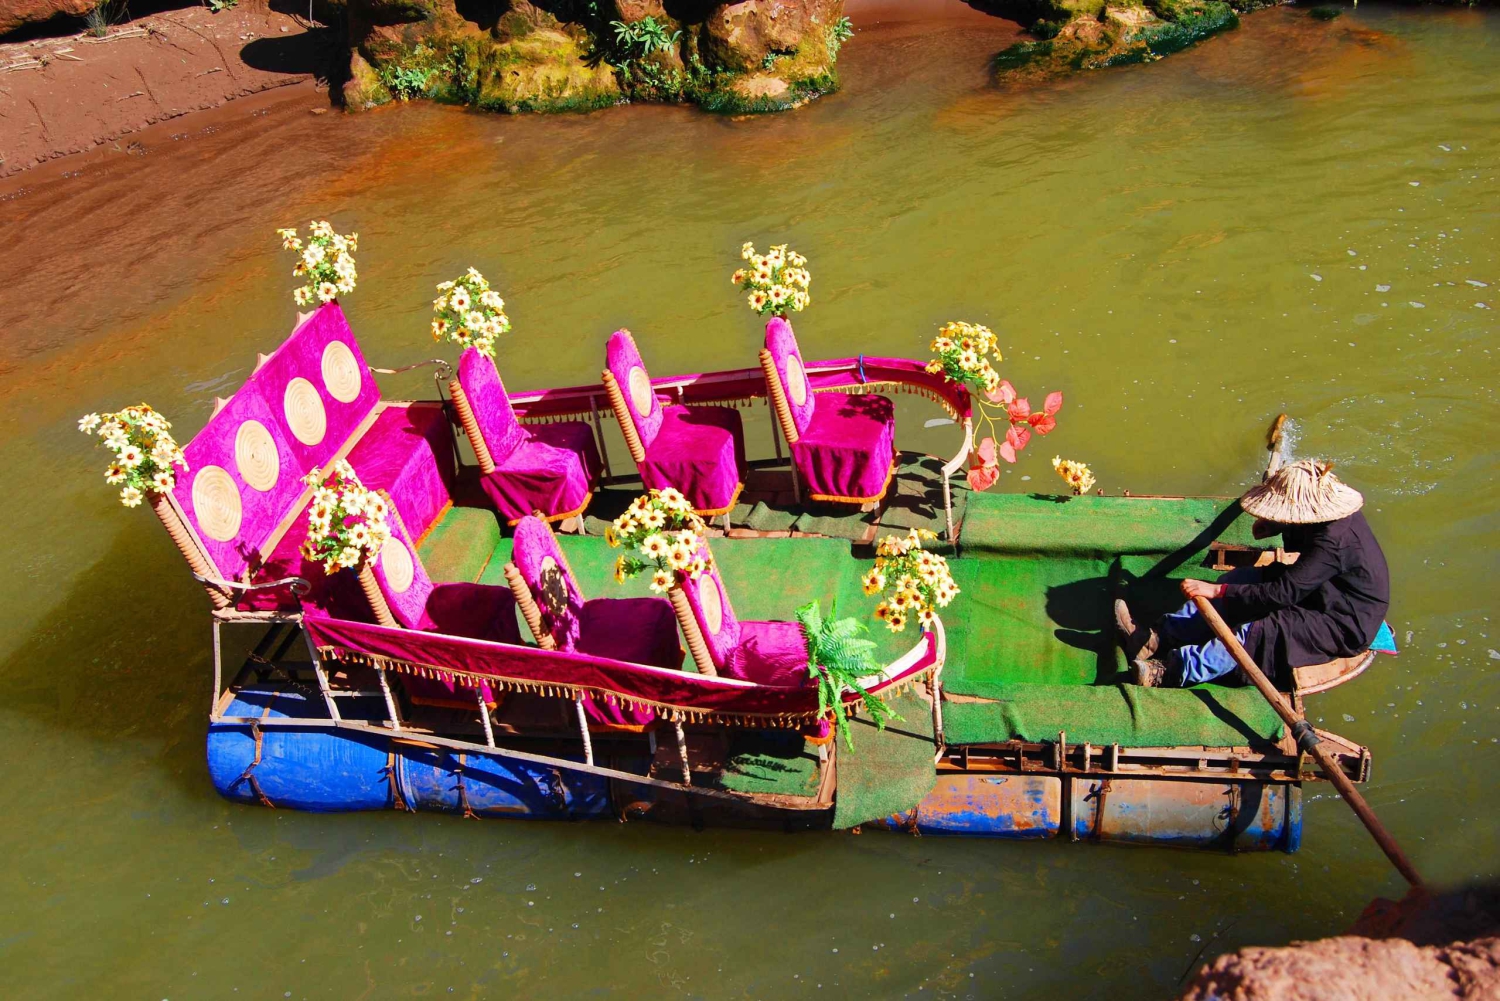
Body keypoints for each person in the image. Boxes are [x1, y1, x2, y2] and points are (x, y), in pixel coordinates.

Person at [1115, 459, 1390, 687]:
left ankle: (1171, 671)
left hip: (1342, 619)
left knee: (1258, 630)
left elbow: (1282, 593)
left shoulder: (1333, 542)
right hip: (1323, 589)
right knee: (1239, 579)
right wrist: (1273, 526)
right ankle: (1158, 638)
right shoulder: (1324, 518)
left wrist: (1216, 590)